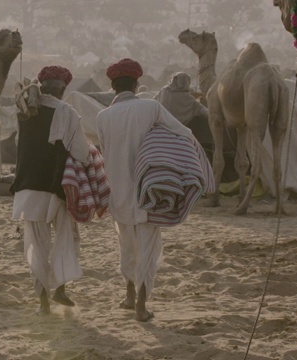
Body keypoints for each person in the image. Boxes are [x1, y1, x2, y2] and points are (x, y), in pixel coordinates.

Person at [96, 58, 196, 322]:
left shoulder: (103, 116)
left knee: (125, 245)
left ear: (113, 86)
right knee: (149, 249)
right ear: (137, 83)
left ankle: (129, 296)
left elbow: (104, 153)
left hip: (117, 193)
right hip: (149, 191)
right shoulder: (151, 107)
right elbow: (183, 133)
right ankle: (141, 305)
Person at [10, 65, 91, 314]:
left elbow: (18, 144)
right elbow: (82, 153)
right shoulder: (67, 112)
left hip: (28, 188)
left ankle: (43, 301)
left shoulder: (24, 111)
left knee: (37, 245)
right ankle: (60, 289)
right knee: (67, 239)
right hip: (58, 189)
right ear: (64, 88)